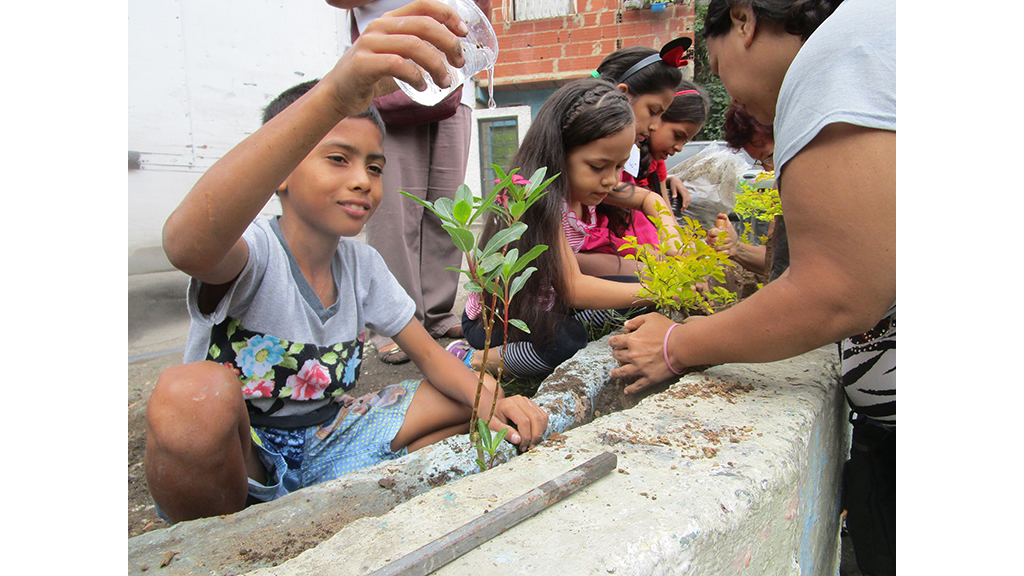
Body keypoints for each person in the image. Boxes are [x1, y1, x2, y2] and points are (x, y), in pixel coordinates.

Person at [146, 1, 548, 525]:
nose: (363, 179)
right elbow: (187, 246)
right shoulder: (255, 254)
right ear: (282, 170)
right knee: (189, 396)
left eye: (375, 166)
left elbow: (430, 356)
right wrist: (335, 92)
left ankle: (318, 504)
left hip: (329, 439)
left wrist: (494, 398)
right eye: (338, 159)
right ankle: (225, 538)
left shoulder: (363, 265)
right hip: (243, 461)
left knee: (462, 400)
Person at [609, 0, 894, 573]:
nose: (734, 102)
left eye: (714, 62)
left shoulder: (842, 55)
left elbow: (837, 289)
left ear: (743, 19)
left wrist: (677, 345)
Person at [445, 78, 669, 380]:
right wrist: (664, 290)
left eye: (619, 166)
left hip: (546, 301)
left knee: (631, 291)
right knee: (565, 341)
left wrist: (669, 254)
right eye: (599, 166)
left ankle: (584, 324)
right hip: (497, 318)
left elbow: (648, 199)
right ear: (558, 153)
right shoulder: (534, 197)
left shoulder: (589, 185)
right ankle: (472, 357)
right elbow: (574, 289)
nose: (612, 180)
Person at [326, 0, 490, 364]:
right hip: (388, 79)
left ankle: (437, 314)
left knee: (446, 212)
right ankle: (393, 323)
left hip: (452, 86)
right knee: (395, 213)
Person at [575, 45, 686, 277]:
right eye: (653, 111)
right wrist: (658, 279)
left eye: (618, 167)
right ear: (623, 96)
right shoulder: (561, 192)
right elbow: (573, 274)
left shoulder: (596, 175)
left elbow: (646, 198)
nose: (655, 126)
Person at [580, 80, 710, 276]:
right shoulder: (588, 188)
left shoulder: (650, 166)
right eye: (677, 135)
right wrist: (656, 264)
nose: (680, 148)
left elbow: (666, 220)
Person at [705, 104, 781, 278]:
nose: (769, 170)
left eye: (768, 156)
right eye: (761, 162)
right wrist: (735, 248)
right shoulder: (781, 191)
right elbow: (774, 261)